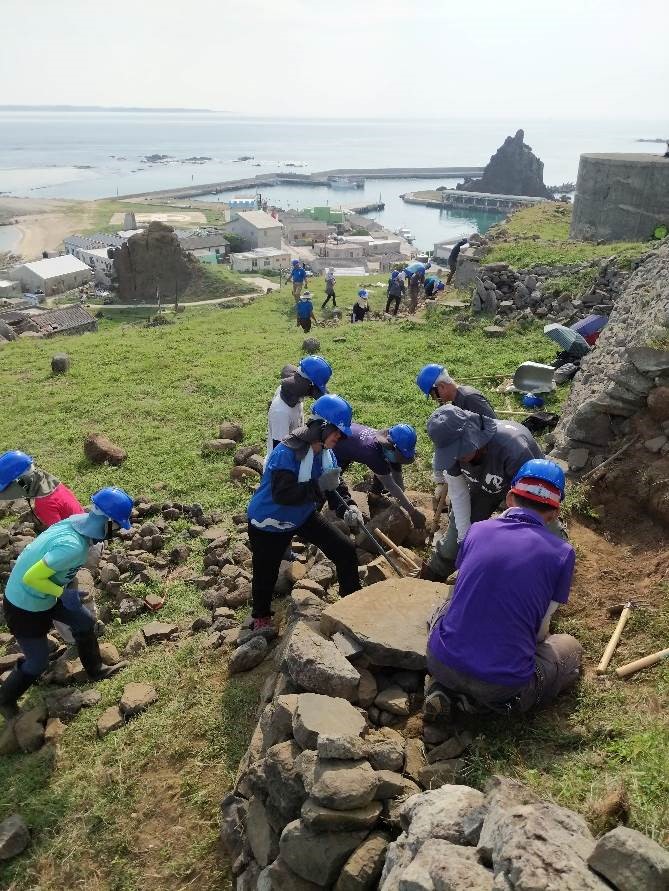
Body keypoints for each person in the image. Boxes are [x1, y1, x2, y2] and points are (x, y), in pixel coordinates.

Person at [424, 459, 582, 717]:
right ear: (554, 513)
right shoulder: (562, 553)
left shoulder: (477, 530)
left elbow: (461, 583)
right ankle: (484, 706)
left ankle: (443, 688)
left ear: (510, 498)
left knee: (447, 606)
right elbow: (541, 631)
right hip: (500, 685)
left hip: (440, 662)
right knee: (570, 647)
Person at [0, 487, 134, 720]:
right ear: (106, 521)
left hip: (47, 592)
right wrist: (62, 593)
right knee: (37, 661)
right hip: (25, 605)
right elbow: (31, 577)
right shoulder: (73, 546)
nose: (119, 530)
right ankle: (6, 699)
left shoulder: (77, 521)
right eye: (117, 525)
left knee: (84, 621)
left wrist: (64, 589)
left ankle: (96, 670)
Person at [248, 395, 362, 631]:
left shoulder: (326, 453)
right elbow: (283, 495)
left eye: (342, 433)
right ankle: (261, 617)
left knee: (345, 551)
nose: (339, 437)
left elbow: (333, 485)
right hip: (270, 522)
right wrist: (319, 486)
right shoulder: (287, 452)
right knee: (265, 572)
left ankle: (352, 604)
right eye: (336, 431)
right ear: (321, 426)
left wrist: (348, 506)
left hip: (301, 515)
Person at [421, 405, 543, 580]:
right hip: (484, 488)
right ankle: (434, 575)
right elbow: (459, 493)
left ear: (472, 436)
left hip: (528, 495)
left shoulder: (515, 449)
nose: (456, 458)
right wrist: (464, 539)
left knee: (526, 544)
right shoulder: (452, 451)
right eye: (451, 453)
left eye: (458, 451)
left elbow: (530, 505)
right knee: (453, 543)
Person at [333, 423, 426, 528]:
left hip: (351, 439)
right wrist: (412, 512)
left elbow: (396, 470)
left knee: (384, 465)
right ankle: (340, 515)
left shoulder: (387, 444)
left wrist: (402, 497)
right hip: (337, 447)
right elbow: (390, 484)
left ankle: (374, 496)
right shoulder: (372, 453)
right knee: (333, 483)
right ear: (390, 446)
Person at [266, 355, 333, 454]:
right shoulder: (281, 412)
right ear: (308, 385)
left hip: (295, 447)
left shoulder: (293, 393)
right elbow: (280, 452)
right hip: (284, 464)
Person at [0, 451, 83, 527]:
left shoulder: (44, 504)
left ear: (22, 483)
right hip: (81, 521)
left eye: (9, 488)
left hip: (77, 536)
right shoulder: (50, 482)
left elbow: (59, 535)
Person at [416, 364, 496, 418]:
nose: (434, 399)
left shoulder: (469, 398)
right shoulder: (457, 399)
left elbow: (494, 428)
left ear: (442, 386)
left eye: (433, 395)